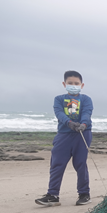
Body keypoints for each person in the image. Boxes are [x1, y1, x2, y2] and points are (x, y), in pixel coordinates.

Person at [35, 71, 94, 206]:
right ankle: (53, 195)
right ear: (64, 84)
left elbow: (87, 112)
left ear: (82, 85)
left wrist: (83, 125)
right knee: (57, 164)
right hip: (64, 134)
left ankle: (84, 194)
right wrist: (70, 123)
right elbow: (59, 113)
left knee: (80, 164)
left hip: (82, 134)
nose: (73, 85)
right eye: (70, 83)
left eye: (76, 83)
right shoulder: (59, 99)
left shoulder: (86, 99)